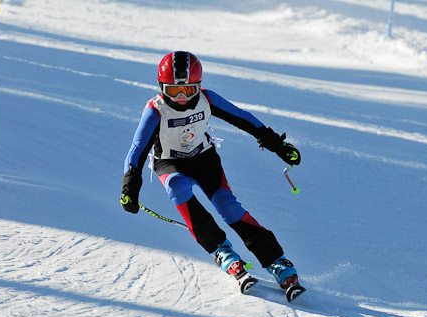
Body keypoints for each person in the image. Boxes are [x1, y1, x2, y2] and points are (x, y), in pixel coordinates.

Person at [120, 51, 302, 290]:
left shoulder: (208, 99)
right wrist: (130, 185)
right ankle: (222, 251)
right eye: (174, 91)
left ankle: (276, 261)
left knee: (228, 207)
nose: (183, 97)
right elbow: (137, 149)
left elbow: (242, 118)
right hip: (169, 162)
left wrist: (277, 145)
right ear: (162, 88)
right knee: (177, 186)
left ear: (200, 86)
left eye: (189, 90)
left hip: (204, 159)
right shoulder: (156, 110)